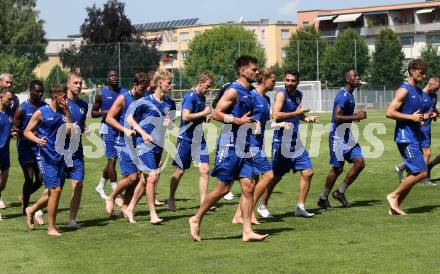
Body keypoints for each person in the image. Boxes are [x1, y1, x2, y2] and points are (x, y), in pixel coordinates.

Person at [189, 56, 268, 242]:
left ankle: (247, 232)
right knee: (223, 189)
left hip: (245, 145)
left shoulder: (250, 92)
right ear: (242, 71)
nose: (257, 72)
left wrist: (254, 123)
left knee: (248, 187)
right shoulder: (234, 90)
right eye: (254, 70)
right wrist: (236, 120)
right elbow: (216, 113)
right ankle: (196, 218)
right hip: (230, 145)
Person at [257, 70, 318, 219]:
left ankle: (300, 207)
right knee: (274, 177)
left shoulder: (298, 95)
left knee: (308, 172)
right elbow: (276, 115)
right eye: (287, 80)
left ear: (298, 81)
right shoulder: (280, 95)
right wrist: (296, 114)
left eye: (292, 81)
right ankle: (262, 205)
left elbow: (297, 113)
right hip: (281, 142)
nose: (289, 83)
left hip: (295, 142)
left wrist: (306, 117)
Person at [124, 69, 176, 224]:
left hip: (158, 145)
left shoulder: (170, 103)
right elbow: (129, 118)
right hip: (143, 143)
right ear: (159, 83)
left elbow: (171, 124)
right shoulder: (145, 101)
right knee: (152, 177)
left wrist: (170, 123)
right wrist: (142, 133)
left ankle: (130, 209)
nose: (171, 86)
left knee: (145, 180)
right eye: (169, 83)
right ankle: (153, 214)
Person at [24, 84, 72, 236]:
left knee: (53, 192)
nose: (66, 99)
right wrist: (38, 140)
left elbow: (70, 132)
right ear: (55, 96)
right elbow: (27, 132)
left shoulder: (65, 112)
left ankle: (31, 210)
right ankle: (51, 228)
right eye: (64, 97)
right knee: (55, 190)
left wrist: (67, 111)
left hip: (61, 156)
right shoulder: (41, 112)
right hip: (46, 156)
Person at [317, 68, 366, 210]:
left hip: (347, 135)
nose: (358, 77)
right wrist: (356, 117)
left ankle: (339, 192)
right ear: (347, 79)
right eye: (354, 75)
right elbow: (337, 117)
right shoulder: (343, 96)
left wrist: (355, 115)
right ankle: (323, 198)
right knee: (337, 169)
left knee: (359, 163)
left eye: (358, 74)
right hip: (337, 137)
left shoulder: (350, 95)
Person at [231, 68, 276, 224]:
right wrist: (252, 124)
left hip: (259, 143)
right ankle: (248, 214)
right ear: (264, 80)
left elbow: (265, 124)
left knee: (252, 182)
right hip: (250, 144)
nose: (275, 84)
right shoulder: (252, 96)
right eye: (273, 81)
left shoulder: (267, 99)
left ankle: (239, 215)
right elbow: (242, 118)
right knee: (269, 175)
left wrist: (281, 123)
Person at [386, 59, 429, 215]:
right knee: (422, 172)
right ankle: (393, 195)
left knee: (415, 173)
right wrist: (411, 118)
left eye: (424, 74)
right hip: (405, 137)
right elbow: (390, 112)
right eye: (420, 73)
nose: (423, 76)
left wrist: (421, 119)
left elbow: (413, 114)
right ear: (412, 71)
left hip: (414, 136)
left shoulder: (417, 91)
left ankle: (395, 206)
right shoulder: (403, 90)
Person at [168, 73, 212, 212]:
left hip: (199, 139)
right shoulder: (190, 97)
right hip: (186, 139)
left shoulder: (202, 97)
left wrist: (206, 118)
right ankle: (171, 197)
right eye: (207, 86)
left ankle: (204, 202)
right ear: (200, 83)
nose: (208, 90)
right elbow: (186, 116)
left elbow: (199, 116)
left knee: (205, 169)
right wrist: (204, 113)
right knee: (180, 170)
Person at [104, 73, 148, 216]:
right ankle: (111, 197)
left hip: (139, 142)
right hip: (123, 141)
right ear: (135, 86)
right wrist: (125, 130)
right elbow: (109, 118)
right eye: (142, 88)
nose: (144, 91)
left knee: (133, 179)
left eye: (146, 88)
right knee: (132, 177)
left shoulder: (144, 98)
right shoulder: (123, 98)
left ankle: (125, 208)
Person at [395, 77, 439, 184]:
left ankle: (403, 167)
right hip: (419, 128)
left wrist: (435, 115)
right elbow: (414, 114)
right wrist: (424, 117)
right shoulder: (420, 95)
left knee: (419, 154)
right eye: (436, 87)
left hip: (427, 128)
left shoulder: (434, 96)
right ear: (430, 83)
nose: (437, 90)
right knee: (427, 153)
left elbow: (433, 111)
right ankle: (423, 178)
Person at [13, 80, 46, 222]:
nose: (39, 94)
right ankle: (25, 206)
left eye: (41, 91)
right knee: (29, 177)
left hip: (40, 147)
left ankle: (24, 195)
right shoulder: (22, 109)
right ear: (30, 90)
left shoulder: (45, 107)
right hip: (25, 147)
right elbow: (15, 130)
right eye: (37, 91)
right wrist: (27, 133)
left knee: (41, 179)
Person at [92, 70, 127, 201]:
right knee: (112, 159)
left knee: (113, 159)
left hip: (121, 127)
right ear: (107, 78)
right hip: (107, 128)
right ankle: (116, 192)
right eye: (111, 76)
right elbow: (93, 113)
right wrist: (108, 112)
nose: (114, 78)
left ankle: (100, 186)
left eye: (116, 75)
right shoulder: (101, 94)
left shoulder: (124, 92)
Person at [65, 72, 89, 229]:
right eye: (75, 83)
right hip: (60, 151)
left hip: (77, 151)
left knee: (78, 184)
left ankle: (72, 220)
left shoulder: (83, 105)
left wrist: (84, 127)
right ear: (68, 84)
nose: (79, 86)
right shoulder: (61, 103)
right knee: (54, 188)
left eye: (80, 83)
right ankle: (34, 209)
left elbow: (81, 122)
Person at [0, 87, 18, 211]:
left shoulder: (9, 114)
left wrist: (12, 134)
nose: (11, 102)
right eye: (9, 99)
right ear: (1, 97)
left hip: (5, 152)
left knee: (3, 182)